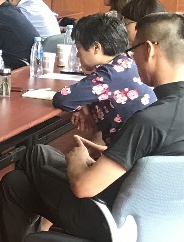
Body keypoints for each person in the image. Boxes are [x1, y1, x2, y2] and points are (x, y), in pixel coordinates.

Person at [0, 11, 184, 242]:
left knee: (34, 154)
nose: (131, 57)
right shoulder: (164, 114)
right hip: (167, 228)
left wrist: (80, 158)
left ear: (149, 50)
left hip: (112, 223)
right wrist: (107, 155)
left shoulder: (150, 121)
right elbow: (153, 167)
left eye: (133, 48)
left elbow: (84, 187)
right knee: (16, 183)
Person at [51, 13, 154, 146]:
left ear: (96, 48)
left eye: (79, 48)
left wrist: (78, 105)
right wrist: (83, 104)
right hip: (142, 142)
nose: (77, 54)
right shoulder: (126, 62)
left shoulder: (109, 75)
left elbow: (62, 99)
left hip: (131, 149)